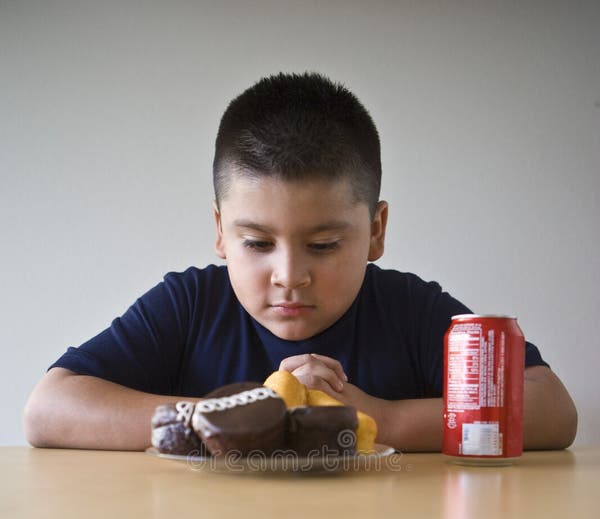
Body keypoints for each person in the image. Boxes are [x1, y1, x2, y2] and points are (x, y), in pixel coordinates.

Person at [23, 72, 577, 452]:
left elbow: (553, 410)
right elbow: (47, 409)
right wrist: (237, 416)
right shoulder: (191, 305)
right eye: (258, 244)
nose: (289, 275)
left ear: (375, 230)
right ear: (221, 232)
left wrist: (383, 419)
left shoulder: (408, 309)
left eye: (324, 245)